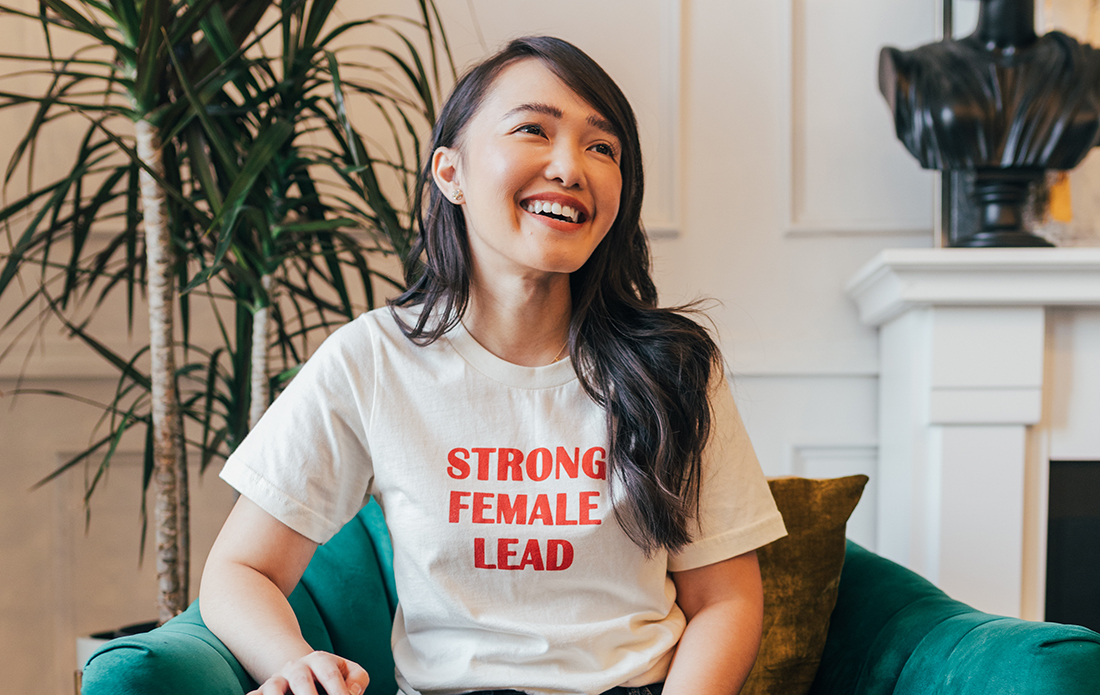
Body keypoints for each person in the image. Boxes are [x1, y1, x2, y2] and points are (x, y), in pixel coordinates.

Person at [200, 36, 787, 695]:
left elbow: (725, 600)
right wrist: (292, 661)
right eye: (533, 129)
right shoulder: (374, 359)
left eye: (602, 147)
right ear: (450, 173)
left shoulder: (674, 367)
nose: (571, 168)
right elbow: (239, 569)